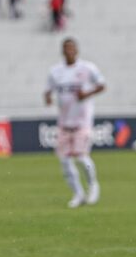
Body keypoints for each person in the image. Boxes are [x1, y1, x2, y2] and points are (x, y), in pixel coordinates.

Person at [44, 38, 106, 208]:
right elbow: (48, 90)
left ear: (77, 51)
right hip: (64, 122)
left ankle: (93, 185)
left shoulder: (87, 68)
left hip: (82, 121)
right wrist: (48, 97)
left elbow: (102, 85)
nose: (69, 51)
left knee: (80, 157)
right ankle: (78, 194)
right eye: (66, 49)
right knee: (64, 160)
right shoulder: (55, 71)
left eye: (72, 48)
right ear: (62, 51)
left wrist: (87, 94)